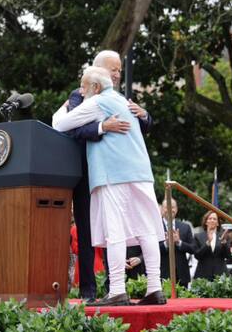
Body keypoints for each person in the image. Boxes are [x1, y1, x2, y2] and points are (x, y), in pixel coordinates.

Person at [53, 66, 165, 306]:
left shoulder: (97, 102)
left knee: (115, 232)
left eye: (84, 86)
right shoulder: (123, 100)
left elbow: (60, 125)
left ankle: (116, 290)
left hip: (113, 174)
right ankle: (155, 288)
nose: (80, 91)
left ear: (95, 87)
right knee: (147, 230)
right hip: (141, 172)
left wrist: (63, 107)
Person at [158, 198, 195, 288]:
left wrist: (179, 242)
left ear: (177, 209)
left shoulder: (185, 227)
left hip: (182, 275)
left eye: (172, 207)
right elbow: (151, 250)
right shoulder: (156, 226)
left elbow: (193, 248)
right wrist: (166, 244)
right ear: (162, 209)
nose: (170, 209)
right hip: (162, 275)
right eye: (167, 207)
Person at [193, 211, 230, 281]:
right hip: (203, 275)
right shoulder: (198, 236)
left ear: (218, 223)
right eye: (210, 218)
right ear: (206, 222)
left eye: (214, 219)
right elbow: (197, 255)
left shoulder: (223, 236)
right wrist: (207, 244)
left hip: (220, 275)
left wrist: (224, 243)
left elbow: (228, 255)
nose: (212, 220)